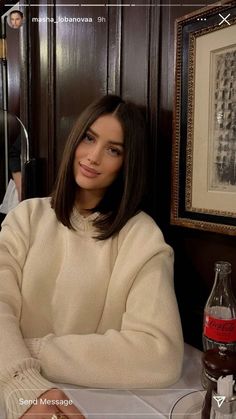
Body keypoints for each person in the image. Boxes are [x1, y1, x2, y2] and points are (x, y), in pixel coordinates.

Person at [0, 95, 184, 419]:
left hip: (91, 405)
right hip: (14, 393)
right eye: (89, 138)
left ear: (127, 163)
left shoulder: (141, 236)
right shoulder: (26, 217)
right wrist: (23, 380)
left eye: (113, 150)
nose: (93, 157)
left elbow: (160, 354)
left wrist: (25, 349)